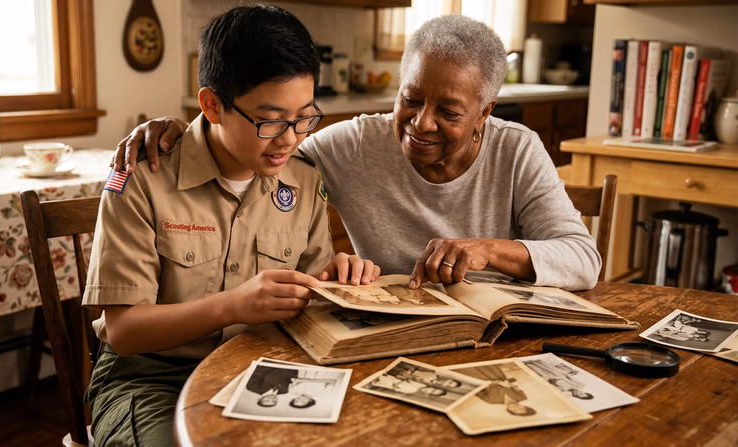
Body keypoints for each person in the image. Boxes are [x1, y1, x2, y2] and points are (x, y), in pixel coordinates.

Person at [113, 14, 601, 292]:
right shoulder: (355, 143)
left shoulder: (517, 150)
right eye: (410, 99)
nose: (421, 123)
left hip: (502, 335)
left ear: (485, 112)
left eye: (449, 112)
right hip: (391, 335)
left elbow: (583, 259)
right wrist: (183, 129)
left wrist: (487, 249)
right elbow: (263, 146)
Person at [83, 5, 380, 445]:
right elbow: (125, 332)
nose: (290, 137)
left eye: (304, 116)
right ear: (213, 105)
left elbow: (314, 295)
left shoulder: (302, 177)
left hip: (266, 366)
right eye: (271, 120)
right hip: (152, 379)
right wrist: (233, 305)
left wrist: (341, 277)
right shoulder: (142, 175)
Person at [464, 364, 537, 417]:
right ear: (524, 406)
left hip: (478, 377)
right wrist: (508, 384)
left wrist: (494, 383)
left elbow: (475, 389)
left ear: (509, 410)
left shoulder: (492, 401)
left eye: (514, 410)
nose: (516, 407)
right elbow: (514, 386)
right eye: (521, 408)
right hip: (495, 374)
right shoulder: (522, 397)